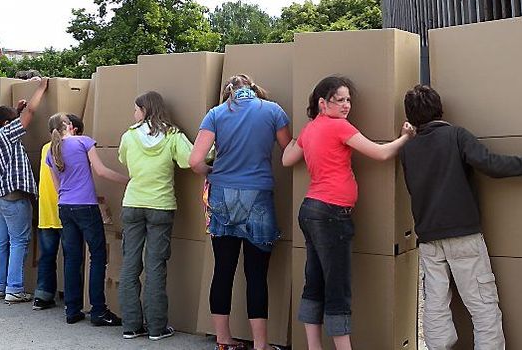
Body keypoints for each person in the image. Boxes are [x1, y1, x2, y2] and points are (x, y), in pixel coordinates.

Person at [399, 84, 522, 350]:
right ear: (440, 109)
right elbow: (490, 164)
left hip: (427, 238)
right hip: (463, 235)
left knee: (436, 306)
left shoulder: (408, 149)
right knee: (482, 306)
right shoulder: (456, 136)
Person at [281, 76, 413, 350]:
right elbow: (380, 153)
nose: (345, 105)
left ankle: (313, 346)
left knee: (314, 281)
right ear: (322, 102)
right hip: (332, 213)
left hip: (310, 210)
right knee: (337, 285)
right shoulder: (338, 126)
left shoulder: (310, 128)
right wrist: (404, 138)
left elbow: (286, 159)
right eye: (339, 99)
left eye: (348, 100)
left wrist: (303, 136)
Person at [191, 75, 291, 350]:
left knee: (223, 269)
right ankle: (261, 344)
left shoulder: (216, 113)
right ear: (253, 88)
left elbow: (195, 161)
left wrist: (212, 171)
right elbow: (289, 151)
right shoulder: (272, 110)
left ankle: (223, 341)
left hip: (221, 194)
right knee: (256, 274)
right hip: (258, 196)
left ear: (228, 93)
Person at [117, 91, 194, 341]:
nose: (134, 114)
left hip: (132, 204)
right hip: (161, 206)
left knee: (130, 265)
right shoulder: (173, 135)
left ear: (145, 110)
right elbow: (190, 160)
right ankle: (157, 328)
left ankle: (131, 325)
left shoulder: (129, 135)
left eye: (136, 109)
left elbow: (123, 160)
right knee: (155, 266)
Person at [46, 112, 129, 326]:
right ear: (69, 125)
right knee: (98, 256)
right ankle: (98, 311)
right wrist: (128, 180)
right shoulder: (83, 141)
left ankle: (72, 310)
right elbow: (100, 171)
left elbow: (57, 188)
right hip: (86, 205)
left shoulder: (51, 151)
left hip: (65, 206)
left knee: (72, 258)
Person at [0, 77, 50, 303]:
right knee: (19, 241)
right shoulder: (7, 134)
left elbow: (14, 118)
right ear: (7, 124)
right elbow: (30, 113)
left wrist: (15, 110)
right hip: (12, 197)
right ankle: (14, 289)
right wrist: (41, 88)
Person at [34, 125, 65, 310]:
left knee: (46, 256)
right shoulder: (69, 148)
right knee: (71, 256)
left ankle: (42, 295)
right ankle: (73, 298)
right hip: (65, 208)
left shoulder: (45, 148)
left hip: (45, 211)